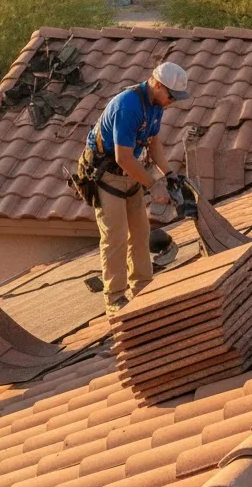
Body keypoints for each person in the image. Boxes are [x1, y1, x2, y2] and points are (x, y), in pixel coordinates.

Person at [77, 62, 189, 316]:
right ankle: (115, 298)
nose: (172, 101)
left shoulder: (156, 104)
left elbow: (153, 142)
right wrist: (153, 185)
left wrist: (168, 175)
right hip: (107, 177)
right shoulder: (128, 106)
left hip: (130, 175)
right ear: (157, 84)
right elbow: (123, 158)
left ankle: (143, 287)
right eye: (171, 95)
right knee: (114, 237)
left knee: (140, 232)